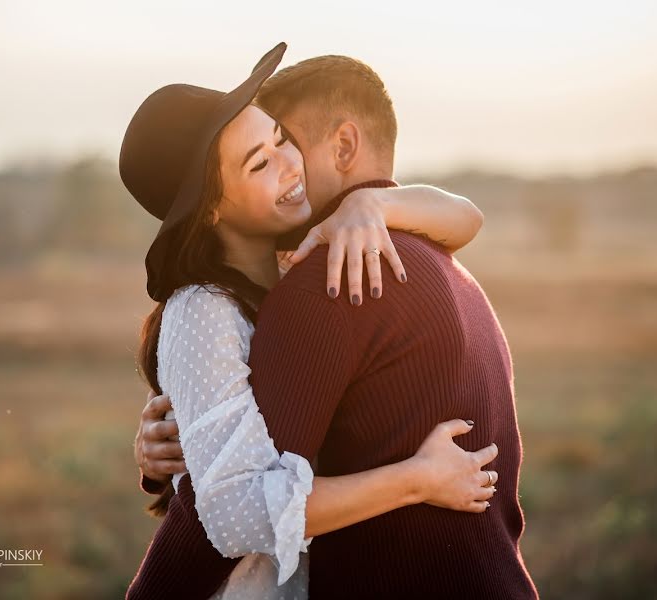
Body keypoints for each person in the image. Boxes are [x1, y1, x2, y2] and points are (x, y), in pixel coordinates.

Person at [121, 43, 502, 600]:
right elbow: (233, 515)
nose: (289, 164)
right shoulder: (205, 308)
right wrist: (415, 480)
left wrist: (372, 207)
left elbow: (466, 217)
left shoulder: (297, 264)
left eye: (281, 138)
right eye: (259, 163)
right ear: (210, 210)